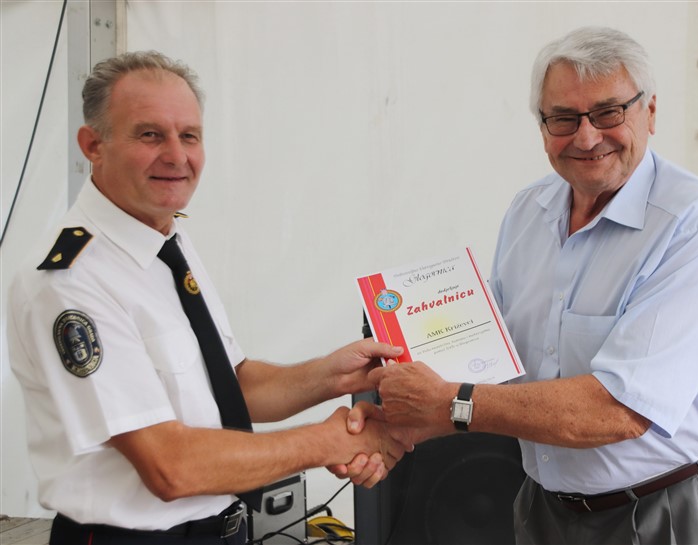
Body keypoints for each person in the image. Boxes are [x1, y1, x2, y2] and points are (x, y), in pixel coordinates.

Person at [352, 26, 698, 544]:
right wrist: (397, 422)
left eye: (609, 112)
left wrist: (449, 403)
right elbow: (496, 362)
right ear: (542, 124)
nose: (586, 138)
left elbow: (621, 409)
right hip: (546, 509)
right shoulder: (529, 210)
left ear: (651, 112)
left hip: (675, 505)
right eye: (564, 118)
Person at [7, 51, 408, 545]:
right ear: (93, 145)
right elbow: (169, 465)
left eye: (190, 136)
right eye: (150, 134)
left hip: (220, 530)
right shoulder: (71, 279)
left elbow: (231, 387)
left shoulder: (166, 240)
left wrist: (336, 376)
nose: (177, 156)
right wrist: (329, 441)